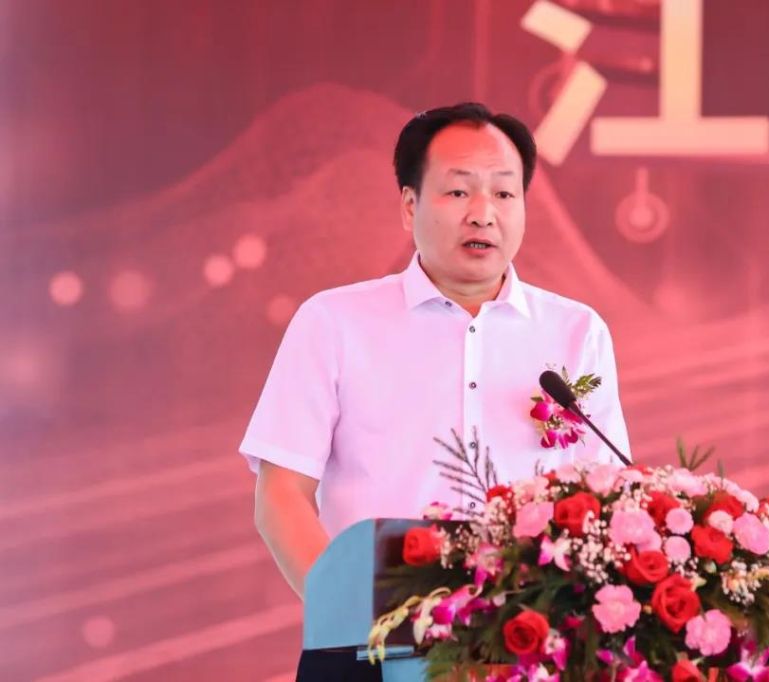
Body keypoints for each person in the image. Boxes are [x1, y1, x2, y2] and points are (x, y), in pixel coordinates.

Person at [240, 102, 631, 600]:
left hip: (531, 629)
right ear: (410, 206)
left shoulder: (576, 331)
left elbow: (607, 497)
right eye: (458, 191)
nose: (483, 214)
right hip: (378, 624)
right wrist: (346, 610)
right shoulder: (334, 323)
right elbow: (281, 495)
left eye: (504, 193)